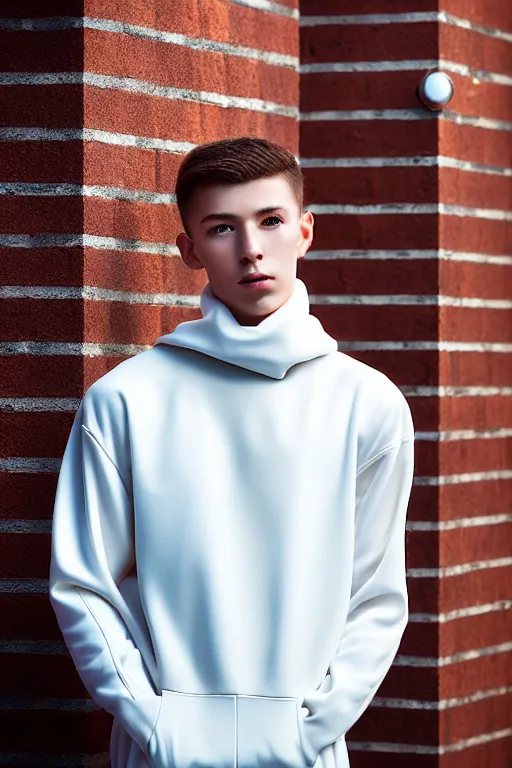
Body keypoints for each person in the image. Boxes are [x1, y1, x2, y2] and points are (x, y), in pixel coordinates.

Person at [49, 136, 415, 768]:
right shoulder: (125, 400)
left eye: (270, 221)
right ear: (189, 249)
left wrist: (309, 727)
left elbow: (376, 597)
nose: (250, 249)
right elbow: (84, 584)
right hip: (161, 747)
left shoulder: (368, 404)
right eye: (222, 228)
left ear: (304, 231)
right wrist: (155, 720)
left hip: (304, 746)